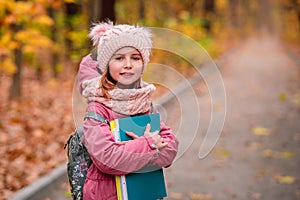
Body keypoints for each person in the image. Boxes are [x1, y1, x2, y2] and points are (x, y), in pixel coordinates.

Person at [77, 21, 179, 200]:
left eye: (135, 58)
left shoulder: (143, 101)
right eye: (119, 58)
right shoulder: (98, 107)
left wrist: (134, 152)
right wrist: (149, 145)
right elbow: (107, 159)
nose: (128, 64)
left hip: (144, 193)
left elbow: (170, 148)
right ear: (106, 65)